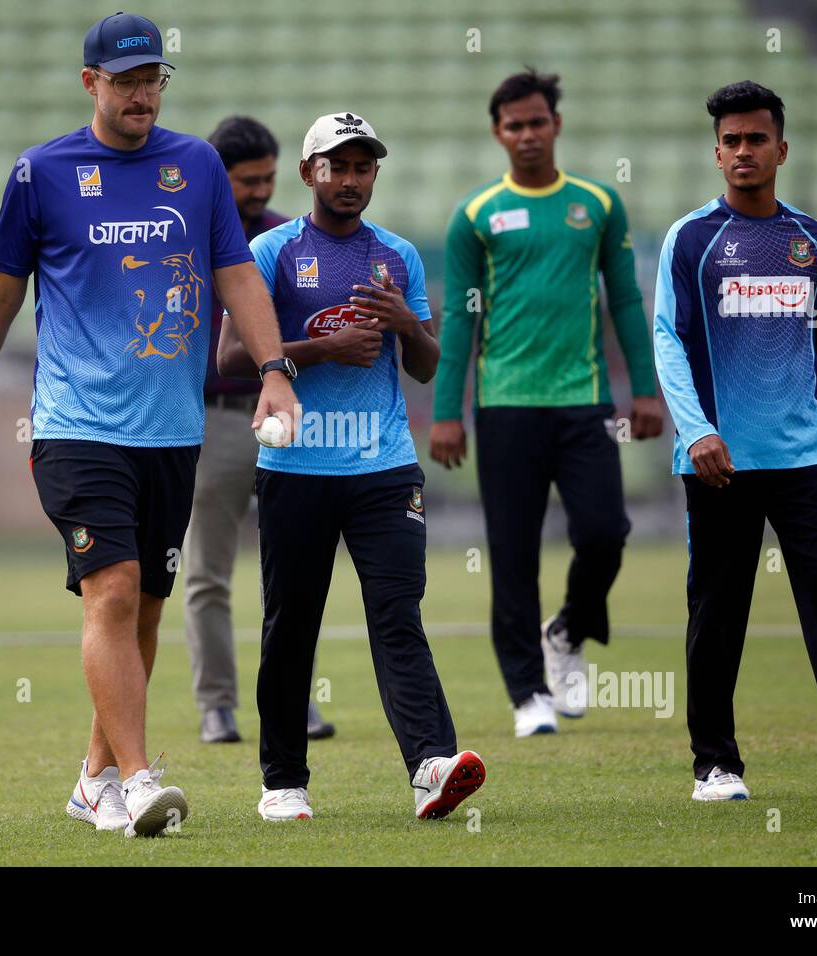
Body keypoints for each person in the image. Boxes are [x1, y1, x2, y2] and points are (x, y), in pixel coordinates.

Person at [0, 13, 298, 837]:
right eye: (126, 79)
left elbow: (236, 272)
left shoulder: (198, 165)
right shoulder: (42, 174)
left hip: (172, 431)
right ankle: (135, 783)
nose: (142, 94)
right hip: (76, 427)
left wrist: (276, 371)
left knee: (146, 612)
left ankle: (92, 777)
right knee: (114, 589)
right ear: (90, 82)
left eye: (154, 79)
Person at [652, 80, 817, 802]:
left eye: (756, 138)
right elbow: (668, 341)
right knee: (718, 609)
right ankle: (715, 766)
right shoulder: (692, 239)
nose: (744, 151)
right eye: (731, 141)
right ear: (717, 153)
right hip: (719, 460)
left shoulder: (814, 242)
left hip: (808, 457)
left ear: (781, 148)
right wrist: (698, 430)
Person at [218, 111, 485, 822]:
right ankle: (283, 784)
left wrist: (408, 325)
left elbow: (428, 370)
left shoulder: (398, 256)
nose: (349, 179)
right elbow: (231, 359)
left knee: (398, 616)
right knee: (291, 623)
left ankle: (432, 765)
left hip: (385, 469)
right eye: (335, 166)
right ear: (309, 174)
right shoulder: (271, 252)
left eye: (363, 166)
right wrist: (316, 350)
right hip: (296, 466)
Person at [431, 70, 663, 737]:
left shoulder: (597, 204)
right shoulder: (475, 215)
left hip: (584, 400)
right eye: (514, 125)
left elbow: (623, 299)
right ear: (497, 132)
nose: (527, 134)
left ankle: (565, 631)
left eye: (538, 122)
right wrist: (449, 411)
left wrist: (644, 392)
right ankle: (527, 691)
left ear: (556, 124)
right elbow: (459, 321)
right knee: (512, 552)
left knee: (604, 533)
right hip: (504, 406)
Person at [181, 116, 335, 744]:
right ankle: (216, 704)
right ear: (219, 176)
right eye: (249, 181)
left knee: (293, 569)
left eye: (270, 178)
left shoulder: (285, 238)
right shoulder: (184, 237)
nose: (262, 191)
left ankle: (296, 702)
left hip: (281, 416)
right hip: (213, 422)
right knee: (206, 573)